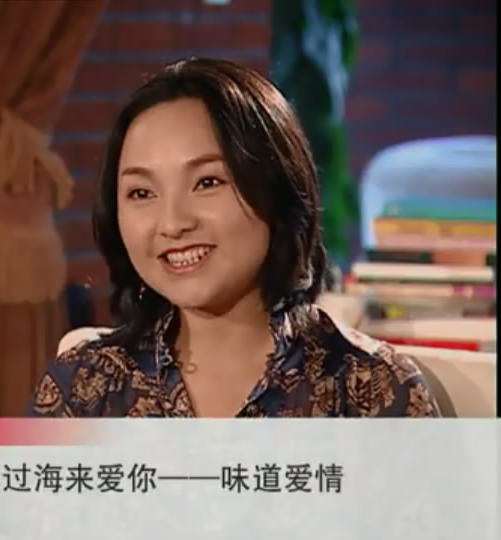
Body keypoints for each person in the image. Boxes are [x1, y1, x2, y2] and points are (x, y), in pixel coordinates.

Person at [27, 58, 441, 418]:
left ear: (277, 188)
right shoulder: (83, 388)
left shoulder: (370, 390)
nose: (172, 223)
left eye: (207, 182)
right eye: (141, 193)